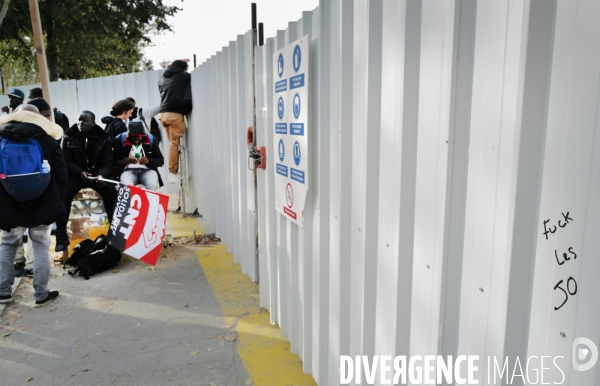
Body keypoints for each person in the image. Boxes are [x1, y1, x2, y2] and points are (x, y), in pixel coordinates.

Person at [0, 104, 66, 306]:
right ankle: (41, 295)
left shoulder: (1, 138)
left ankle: (3, 292)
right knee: (40, 246)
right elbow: (61, 176)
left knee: (7, 244)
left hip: (9, 205)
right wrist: (56, 202)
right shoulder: (48, 140)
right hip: (42, 205)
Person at [55, 110, 117, 252]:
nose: (80, 123)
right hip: (76, 174)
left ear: (93, 123)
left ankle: (115, 234)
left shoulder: (104, 137)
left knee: (110, 193)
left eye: (85, 121)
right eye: (79, 120)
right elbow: (65, 161)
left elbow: (108, 162)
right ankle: (61, 237)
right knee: (63, 195)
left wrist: (101, 175)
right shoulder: (69, 136)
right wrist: (80, 172)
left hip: (97, 174)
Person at [158, 60, 192, 183]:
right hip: (175, 114)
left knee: (172, 145)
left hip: (164, 114)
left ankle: (174, 169)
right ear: (183, 68)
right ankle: (173, 173)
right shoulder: (183, 76)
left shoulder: (162, 78)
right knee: (174, 144)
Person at [113, 121, 164, 191]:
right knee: (127, 187)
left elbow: (160, 161)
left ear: (143, 136)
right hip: (128, 171)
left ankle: (149, 202)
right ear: (128, 136)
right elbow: (114, 162)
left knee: (152, 185)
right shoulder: (120, 140)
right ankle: (130, 201)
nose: (136, 141)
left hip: (148, 170)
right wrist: (126, 161)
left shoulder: (152, 140)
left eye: (138, 138)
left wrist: (148, 161)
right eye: (133, 138)